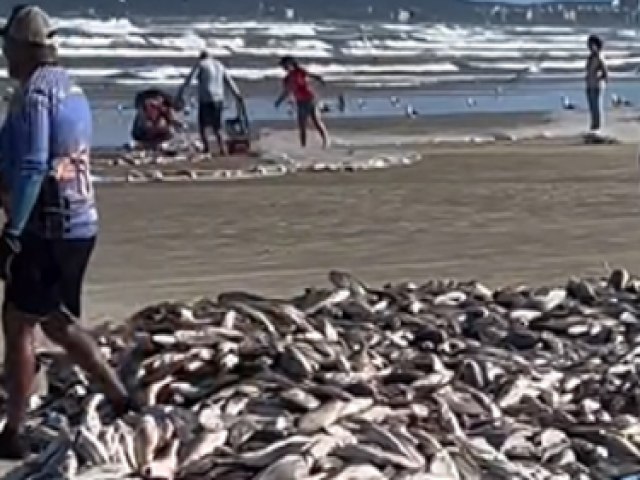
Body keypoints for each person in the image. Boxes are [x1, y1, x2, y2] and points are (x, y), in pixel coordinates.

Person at [0, 4, 135, 458]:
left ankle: (13, 431)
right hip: (81, 224)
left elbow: (35, 163)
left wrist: (14, 228)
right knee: (56, 320)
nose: (4, 54)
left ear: (24, 48)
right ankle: (119, 396)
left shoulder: (35, 95)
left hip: (47, 228)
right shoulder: (72, 90)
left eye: (7, 46)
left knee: (18, 323)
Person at [177, 50, 244, 156]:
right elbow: (229, 81)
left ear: (201, 57)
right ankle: (223, 149)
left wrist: (181, 93)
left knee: (202, 126)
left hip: (206, 98)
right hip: (219, 99)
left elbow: (190, 79)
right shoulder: (219, 65)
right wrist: (237, 95)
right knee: (217, 126)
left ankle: (207, 148)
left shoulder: (201, 64)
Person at [275, 56, 329, 148]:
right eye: (283, 66)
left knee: (316, 121)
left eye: (285, 65)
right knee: (302, 124)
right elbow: (287, 91)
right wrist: (280, 100)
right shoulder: (286, 79)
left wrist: (319, 79)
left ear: (290, 64)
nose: (284, 68)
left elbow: (311, 75)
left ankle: (325, 141)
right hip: (300, 101)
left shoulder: (299, 72)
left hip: (310, 98)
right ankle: (303, 145)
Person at [585, 34, 608, 132]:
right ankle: (593, 125)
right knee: (592, 107)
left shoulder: (599, 56)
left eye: (591, 44)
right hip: (590, 84)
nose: (589, 46)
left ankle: (597, 127)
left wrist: (600, 78)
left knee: (597, 107)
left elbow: (605, 71)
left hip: (597, 85)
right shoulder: (590, 57)